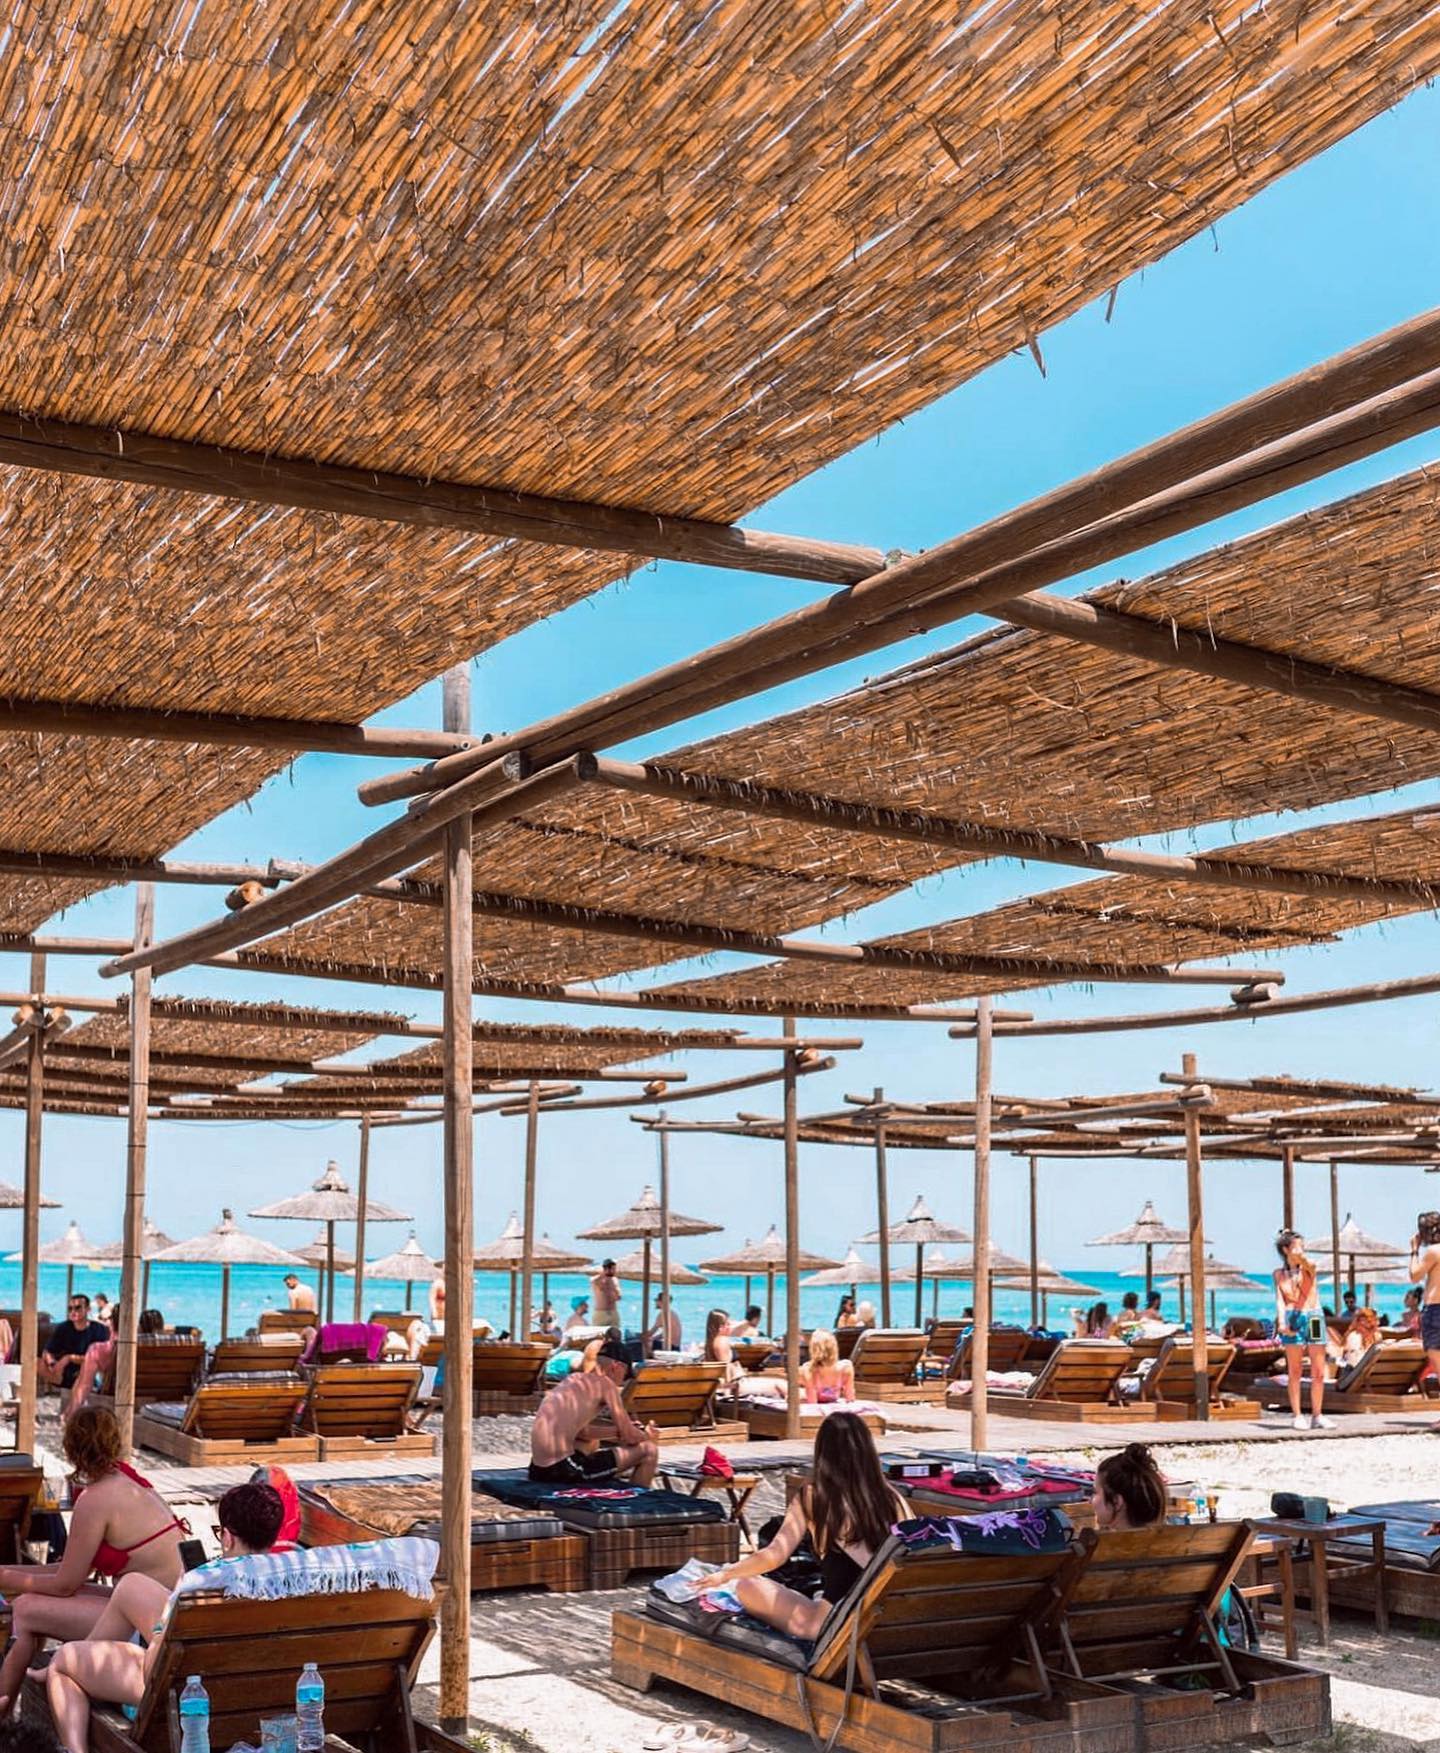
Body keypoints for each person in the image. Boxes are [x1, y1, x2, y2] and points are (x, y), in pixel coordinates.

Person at [43, 1480, 285, 1753]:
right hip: (257, 1689)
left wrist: (170, 1608)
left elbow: (153, 1670)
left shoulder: (201, 1581)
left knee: (63, 1662)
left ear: (227, 1537)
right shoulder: (292, 1580)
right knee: (132, 1586)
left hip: (189, 1695)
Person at [0, 1408, 187, 1712]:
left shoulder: (95, 1499)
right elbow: (72, 1572)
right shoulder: (129, 1480)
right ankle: (12, 1708)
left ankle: (5, 1713)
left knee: (26, 1608)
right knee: (31, 1603)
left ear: (71, 1449)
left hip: (149, 1627)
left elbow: (65, 1585)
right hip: (160, 1608)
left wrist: (6, 1578)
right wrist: (8, 1571)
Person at [698, 1412, 907, 1637]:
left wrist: (726, 1574)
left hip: (838, 1627)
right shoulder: (893, 1498)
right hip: (892, 1617)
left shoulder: (816, 1497)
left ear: (823, 1452)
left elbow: (774, 1556)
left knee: (747, 1584)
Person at [528, 1337, 658, 1485]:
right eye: (625, 1376)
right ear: (616, 1367)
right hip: (564, 1470)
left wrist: (620, 1430)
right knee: (649, 1450)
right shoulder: (606, 1384)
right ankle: (636, 1499)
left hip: (538, 1469)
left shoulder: (573, 1379)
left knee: (591, 1443)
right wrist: (646, 1435)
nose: (622, 1383)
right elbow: (630, 1437)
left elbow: (584, 1433)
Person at [1274, 1228, 1331, 1431]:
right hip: (1293, 1317)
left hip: (1313, 1316)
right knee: (1295, 1370)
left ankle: (1317, 1415)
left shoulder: (1308, 1267)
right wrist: (1282, 1322)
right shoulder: (1279, 1274)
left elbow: (1310, 1265)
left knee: (1318, 1370)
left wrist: (1301, 1256)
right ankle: (1297, 1415)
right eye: (1298, 1246)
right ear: (1286, 1249)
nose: (1302, 1250)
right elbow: (1280, 1300)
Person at [40, 1298, 111, 1393]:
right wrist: (52, 1364)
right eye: (70, 1309)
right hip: (63, 1374)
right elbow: (47, 1351)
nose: (73, 1311)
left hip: (87, 1373)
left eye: (77, 1308)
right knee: (36, 1362)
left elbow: (100, 1360)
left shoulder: (99, 1329)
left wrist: (70, 1358)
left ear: (88, 1309)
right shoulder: (63, 1328)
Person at [1091, 1443, 1167, 1531]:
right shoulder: (1174, 1537)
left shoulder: (1099, 1540)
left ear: (1116, 1501)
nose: (1090, 1501)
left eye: (1095, 1492)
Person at [1409, 1211, 1440, 1397]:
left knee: (1437, 1360)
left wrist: (1414, 1250)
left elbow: (1414, 1275)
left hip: (1435, 1309)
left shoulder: (1433, 1251)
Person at [801, 1328, 854, 1404]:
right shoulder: (846, 1367)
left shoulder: (809, 1369)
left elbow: (812, 1403)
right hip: (829, 1398)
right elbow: (850, 1397)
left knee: (787, 1388)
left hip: (810, 1396)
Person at [702, 1309, 741, 1384]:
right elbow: (726, 1367)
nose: (730, 1327)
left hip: (717, 1382)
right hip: (732, 1382)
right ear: (720, 1327)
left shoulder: (713, 1340)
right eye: (728, 1324)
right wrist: (728, 1387)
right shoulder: (722, 1341)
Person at [644, 1292, 681, 1357]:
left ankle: (645, 1359)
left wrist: (640, 1336)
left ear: (661, 1302)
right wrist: (653, 1338)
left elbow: (651, 1333)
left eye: (656, 1300)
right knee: (650, 1341)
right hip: (676, 1348)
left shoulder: (663, 1314)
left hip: (670, 1347)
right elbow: (667, 1334)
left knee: (644, 1343)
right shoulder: (672, 1313)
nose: (655, 1303)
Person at [590, 1259, 622, 1330]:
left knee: (616, 1334)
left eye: (615, 1269)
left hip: (613, 1312)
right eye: (613, 1269)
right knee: (598, 1334)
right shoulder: (596, 1279)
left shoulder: (615, 1280)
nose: (615, 1271)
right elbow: (593, 1281)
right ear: (606, 1269)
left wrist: (614, 1289)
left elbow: (619, 1297)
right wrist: (603, 1276)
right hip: (601, 1313)